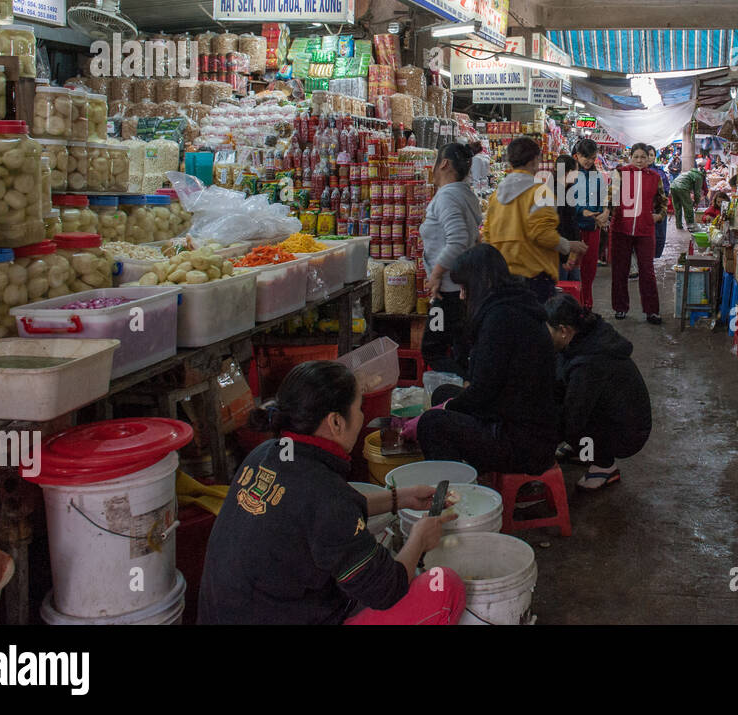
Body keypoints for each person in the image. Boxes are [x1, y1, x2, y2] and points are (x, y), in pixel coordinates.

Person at [198, 361, 463, 625]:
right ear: (336, 422)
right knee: (445, 587)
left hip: (229, 614)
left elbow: (315, 512)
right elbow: (386, 589)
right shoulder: (326, 496)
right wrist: (418, 539)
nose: (361, 417)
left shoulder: (264, 454)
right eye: (359, 408)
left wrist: (400, 498)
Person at [416, 245, 561, 474]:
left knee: (431, 424)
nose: (462, 296)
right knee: (442, 393)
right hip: (520, 421)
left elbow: (482, 392)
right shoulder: (514, 303)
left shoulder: (500, 319)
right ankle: (465, 473)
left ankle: (455, 495)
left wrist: (448, 408)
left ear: (480, 283)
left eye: (464, 288)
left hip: (522, 444)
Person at [546, 295, 652, 490]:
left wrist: (535, 441)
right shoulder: (582, 337)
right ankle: (584, 451)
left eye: (547, 330)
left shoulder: (590, 362)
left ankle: (604, 465)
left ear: (563, 330)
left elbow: (573, 416)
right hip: (612, 411)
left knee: (572, 421)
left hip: (629, 431)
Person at [483, 136, 587, 302]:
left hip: (502, 276)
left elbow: (487, 234)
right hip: (533, 278)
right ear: (535, 160)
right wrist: (568, 245)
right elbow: (542, 234)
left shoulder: (496, 196)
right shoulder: (541, 193)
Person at [420, 143, 482, 377]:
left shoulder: (446, 197)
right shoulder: (466, 194)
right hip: (461, 289)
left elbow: (457, 239)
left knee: (433, 350)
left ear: (444, 164)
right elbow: (474, 238)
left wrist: (436, 274)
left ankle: (462, 389)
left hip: (446, 292)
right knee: (460, 347)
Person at [610, 143, 665, 324]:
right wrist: (607, 213)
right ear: (630, 157)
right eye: (636, 157)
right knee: (620, 270)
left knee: (647, 271)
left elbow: (663, 201)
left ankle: (652, 311)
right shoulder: (620, 173)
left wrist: (659, 215)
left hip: (645, 230)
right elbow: (610, 196)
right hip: (621, 229)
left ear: (650, 158)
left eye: (644, 157)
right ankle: (620, 307)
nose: (640, 160)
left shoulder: (655, 177)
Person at [572, 138, 609, 311]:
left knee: (589, 269)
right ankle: (576, 305)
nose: (588, 161)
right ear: (577, 155)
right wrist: (584, 212)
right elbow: (566, 202)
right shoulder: (570, 176)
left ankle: (587, 305)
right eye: (585, 157)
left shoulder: (598, 176)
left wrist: (605, 213)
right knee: (574, 269)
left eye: (592, 157)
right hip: (574, 229)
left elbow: (604, 199)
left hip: (593, 229)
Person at [554, 154, 582, 282]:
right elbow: (559, 226)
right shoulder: (555, 193)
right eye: (576, 171)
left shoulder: (568, 190)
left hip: (570, 251)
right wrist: (565, 256)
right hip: (560, 254)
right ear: (567, 172)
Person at [648, 145, 671, 260]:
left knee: (658, 236)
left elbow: (665, 193)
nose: (648, 157)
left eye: (651, 155)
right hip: (640, 212)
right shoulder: (630, 173)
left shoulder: (659, 173)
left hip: (657, 210)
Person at [669, 166, 705, 231]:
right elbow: (697, 192)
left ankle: (678, 225)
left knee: (677, 207)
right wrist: (696, 202)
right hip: (682, 187)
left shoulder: (690, 172)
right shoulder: (699, 176)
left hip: (673, 186)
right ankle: (690, 225)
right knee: (688, 207)